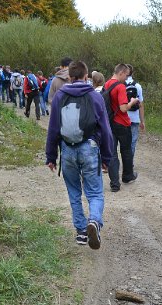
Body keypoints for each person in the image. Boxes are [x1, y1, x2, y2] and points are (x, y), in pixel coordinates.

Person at [45, 61, 114, 250]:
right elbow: (105, 130)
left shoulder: (60, 96)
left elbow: (53, 128)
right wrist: (107, 158)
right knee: (95, 192)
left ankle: (82, 232)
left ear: (69, 77)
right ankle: (94, 220)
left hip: (67, 149)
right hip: (89, 148)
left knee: (74, 191)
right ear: (86, 77)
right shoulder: (95, 96)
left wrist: (51, 156)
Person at [103, 64, 138, 192]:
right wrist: (132, 102)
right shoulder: (120, 86)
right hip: (122, 123)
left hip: (109, 122)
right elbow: (123, 108)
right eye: (126, 75)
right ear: (121, 73)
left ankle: (114, 184)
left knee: (112, 153)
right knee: (126, 150)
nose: (126, 78)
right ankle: (127, 176)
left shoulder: (106, 84)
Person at [125, 65, 144, 170]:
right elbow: (141, 105)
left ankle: (122, 160)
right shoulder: (138, 86)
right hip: (134, 118)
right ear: (133, 72)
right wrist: (142, 121)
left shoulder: (120, 85)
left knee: (123, 141)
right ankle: (129, 163)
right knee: (132, 142)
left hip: (122, 117)